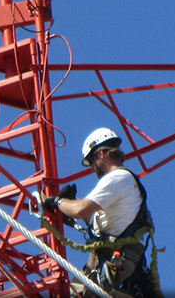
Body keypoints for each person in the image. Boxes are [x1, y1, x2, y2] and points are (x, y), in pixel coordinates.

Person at [40, 128, 159, 298]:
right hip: (112, 265)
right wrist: (69, 207)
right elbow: (95, 222)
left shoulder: (117, 178)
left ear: (101, 154)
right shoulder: (123, 183)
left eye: (91, 161)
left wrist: (57, 202)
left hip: (114, 264)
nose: (92, 169)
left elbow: (81, 209)